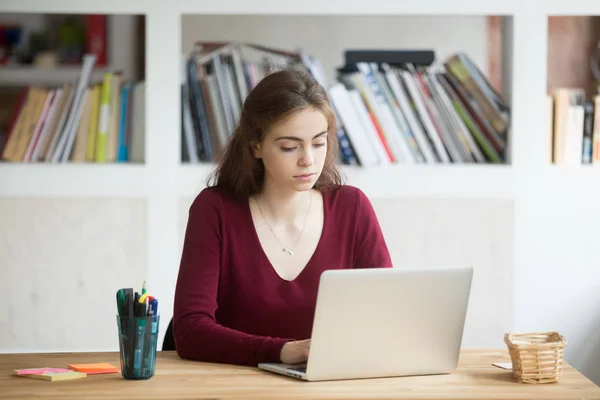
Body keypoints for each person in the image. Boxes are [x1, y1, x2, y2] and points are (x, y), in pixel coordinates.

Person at [173, 67, 393, 367]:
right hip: (234, 388)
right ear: (256, 146)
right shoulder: (215, 210)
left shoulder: (351, 207)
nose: (309, 160)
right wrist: (280, 351)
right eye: (290, 146)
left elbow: (387, 317)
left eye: (319, 142)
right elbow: (189, 332)